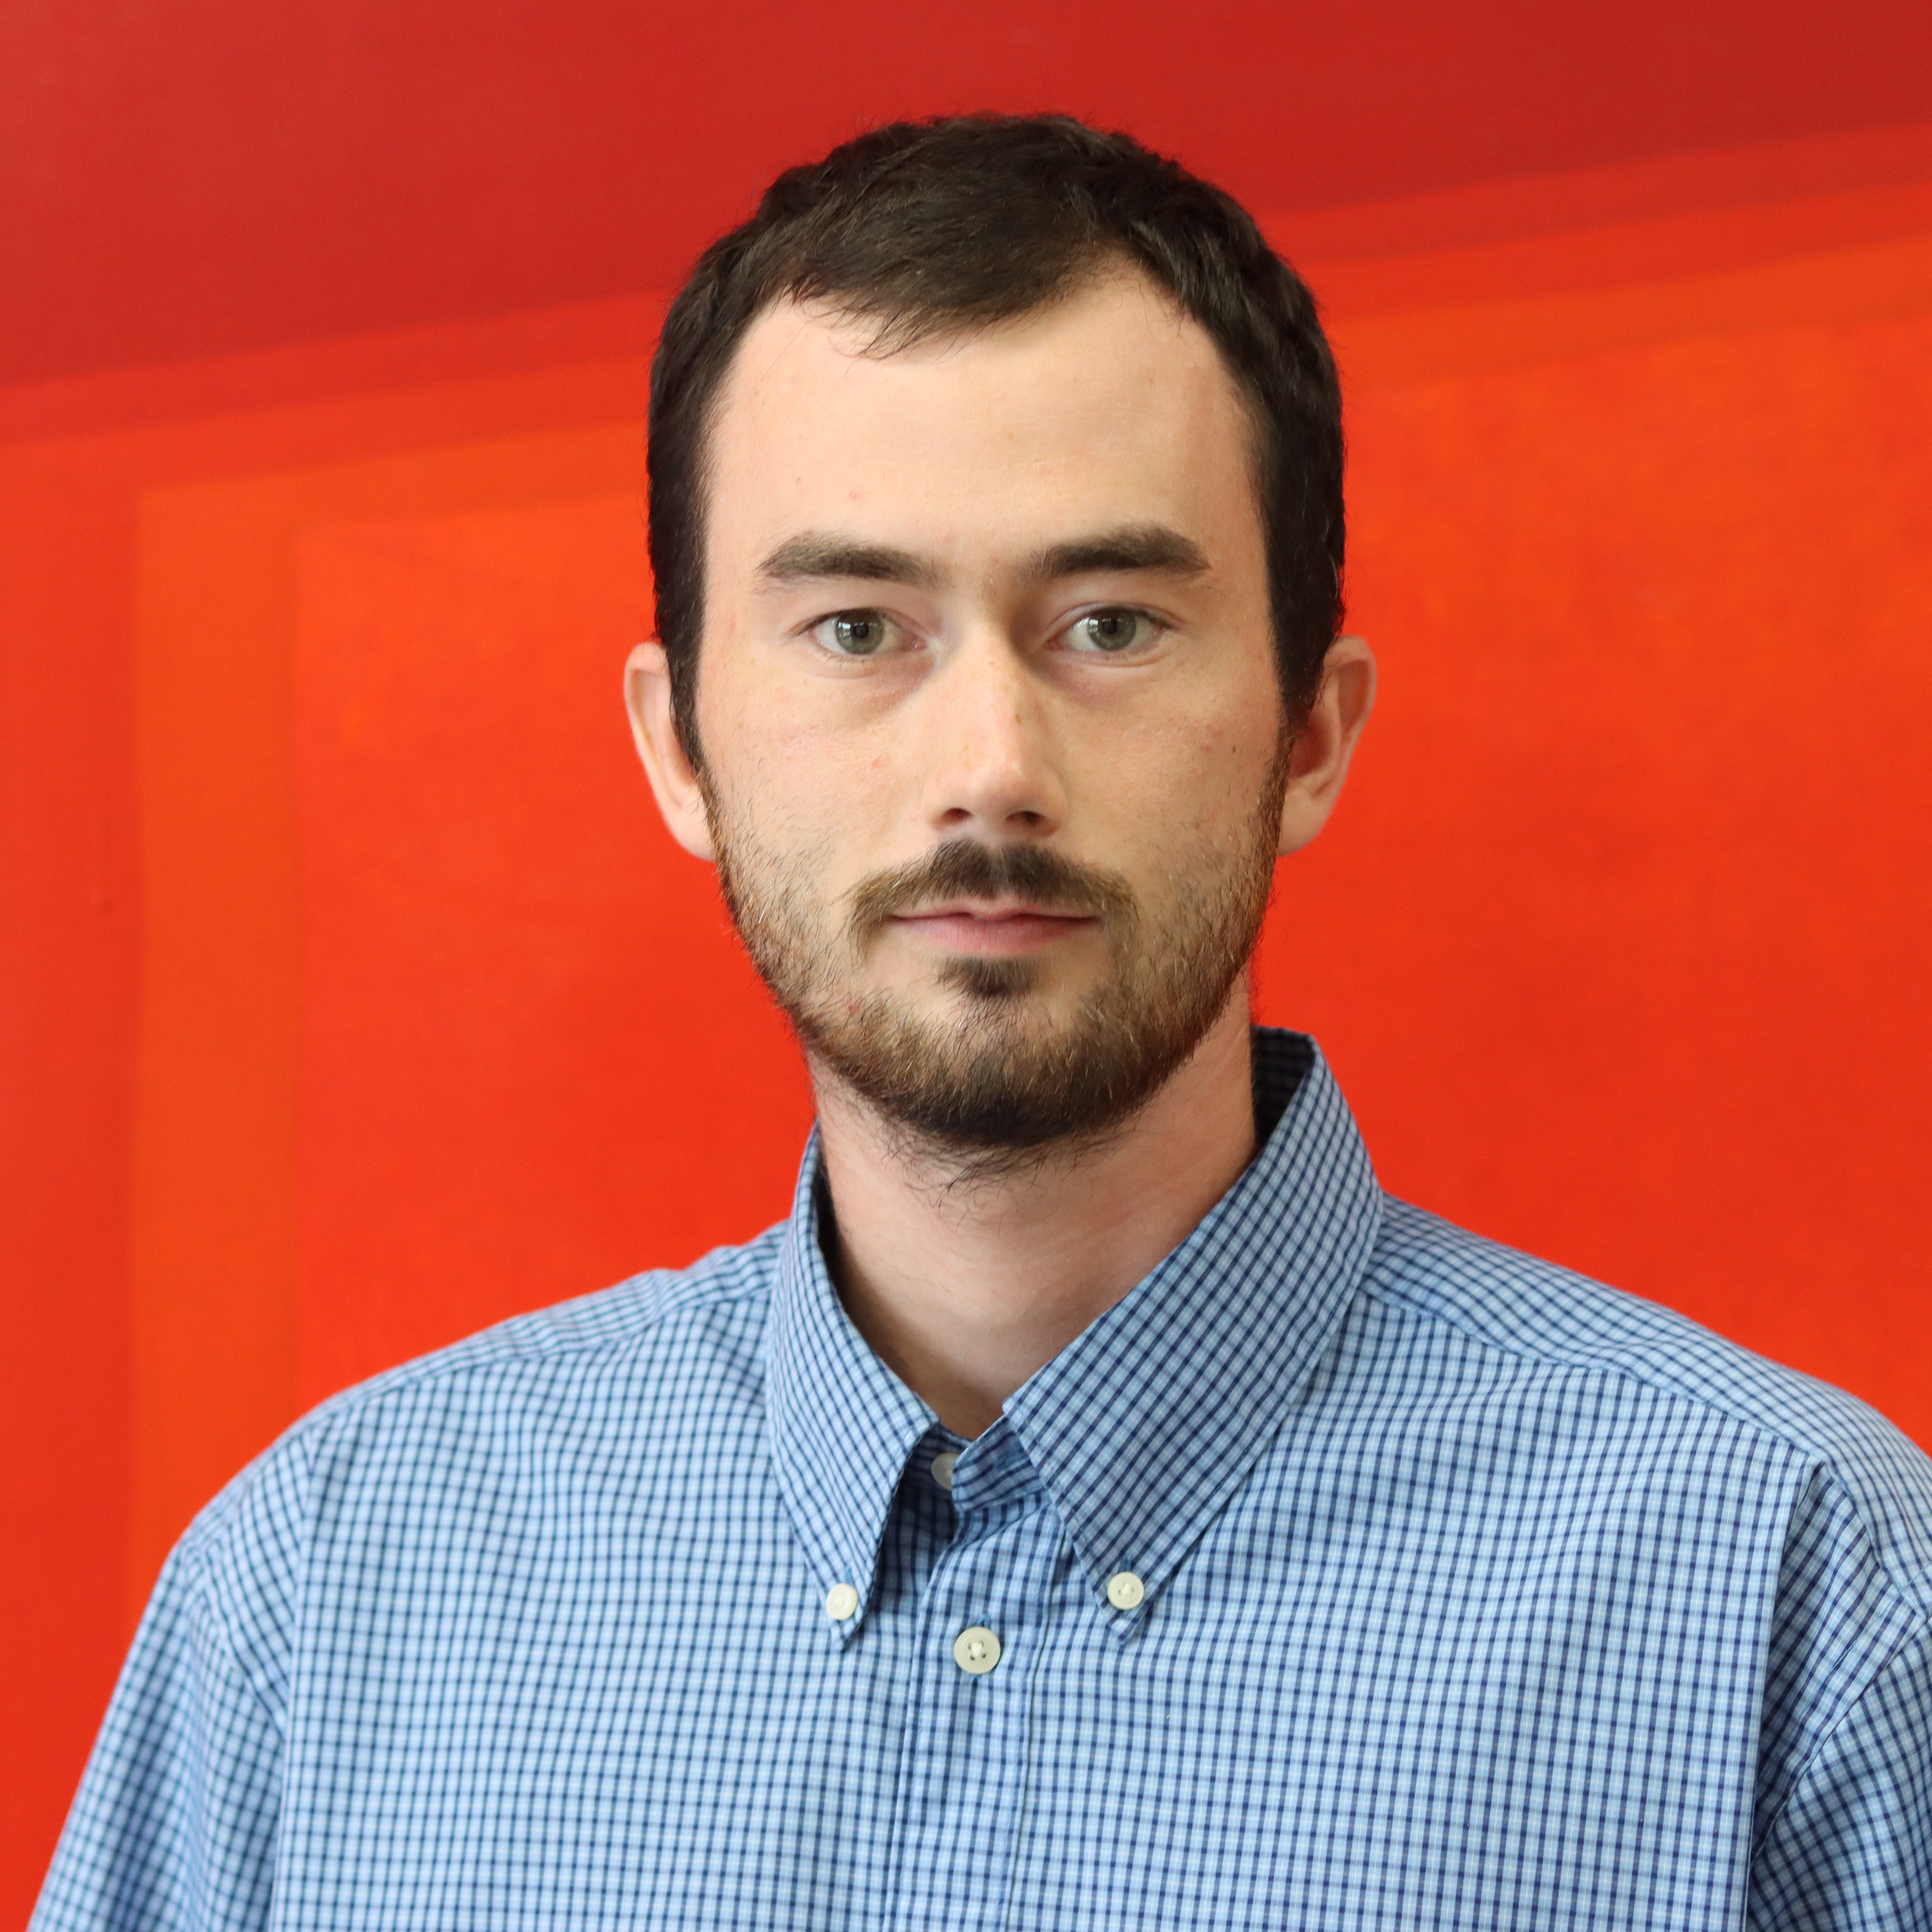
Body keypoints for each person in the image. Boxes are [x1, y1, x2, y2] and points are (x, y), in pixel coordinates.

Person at [34, 114, 1932, 1932]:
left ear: (1310, 730)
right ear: (679, 745)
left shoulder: (1795, 1589)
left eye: (1106, 620)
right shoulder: (328, 1591)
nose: (989, 770)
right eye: (857, 626)